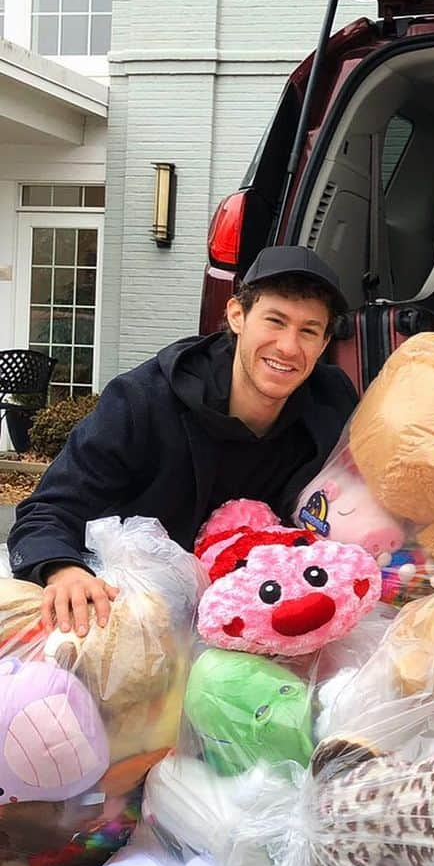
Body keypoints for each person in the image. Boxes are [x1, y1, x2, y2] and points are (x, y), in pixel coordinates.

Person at [9, 245, 359, 638]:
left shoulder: (332, 403)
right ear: (236, 315)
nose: (289, 347)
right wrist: (63, 570)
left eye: (308, 331)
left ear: (325, 342)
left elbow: (370, 500)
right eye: (275, 321)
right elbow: (47, 510)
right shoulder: (144, 400)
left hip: (272, 618)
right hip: (140, 616)